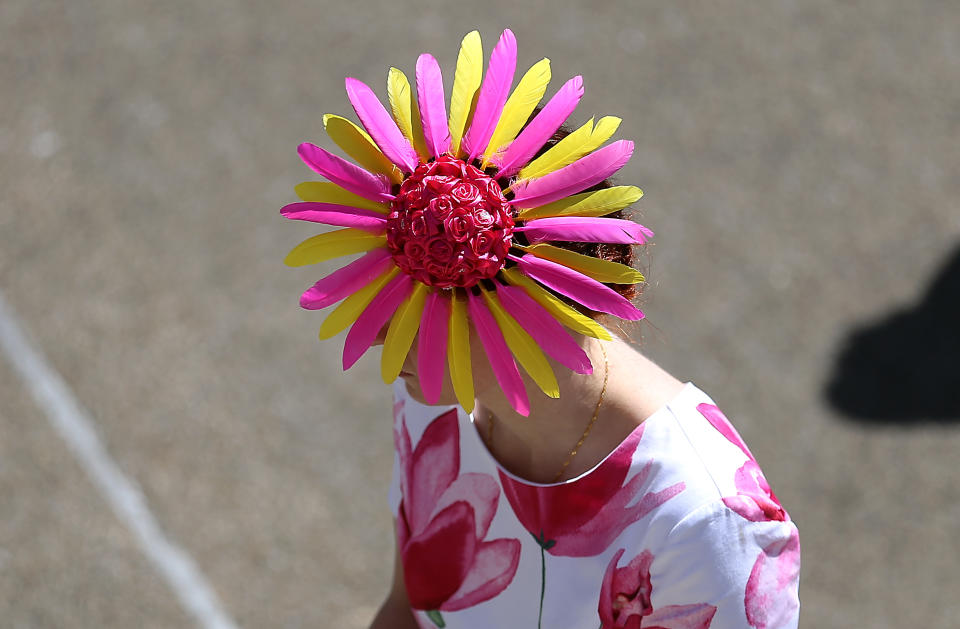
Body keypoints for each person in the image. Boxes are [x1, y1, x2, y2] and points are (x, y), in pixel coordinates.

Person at [280, 28, 800, 629]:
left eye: (433, 285)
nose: (377, 333)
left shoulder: (707, 527)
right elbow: (406, 612)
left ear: (549, 300)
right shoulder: (436, 391)